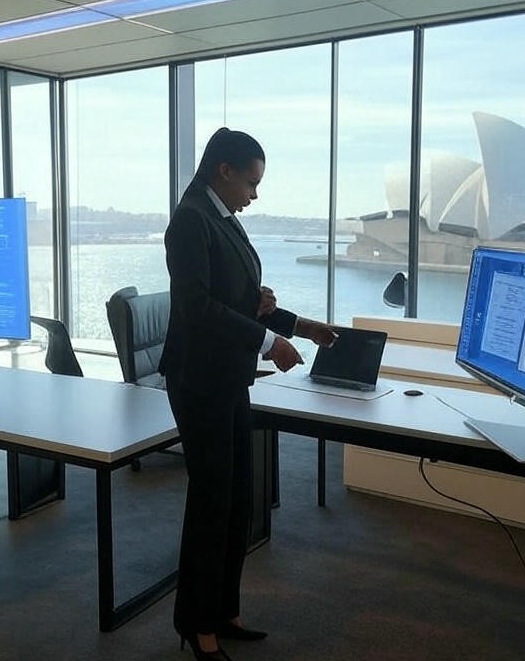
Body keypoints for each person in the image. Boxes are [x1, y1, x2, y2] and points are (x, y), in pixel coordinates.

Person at [159, 127, 338, 660]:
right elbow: (199, 309)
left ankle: (223, 611)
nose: (255, 195)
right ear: (224, 172)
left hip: (229, 377)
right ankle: (196, 624)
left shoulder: (222, 219)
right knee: (211, 502)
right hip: (200, 381)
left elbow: (240, 301)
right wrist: (269, 344)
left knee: (239, 499)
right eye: (252, 183)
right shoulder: (190, 221)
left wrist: (301, 325)